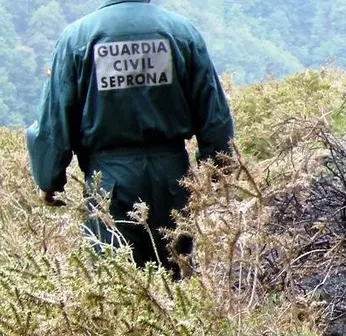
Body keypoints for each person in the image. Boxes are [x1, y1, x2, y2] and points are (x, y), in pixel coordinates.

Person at [26, 0, 234, 279]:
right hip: (173, 178)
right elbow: (214, 115)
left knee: (116, 282)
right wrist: (218, 171)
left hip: (109, 181)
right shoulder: (182, 33)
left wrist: (49, 181)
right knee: (177, 280)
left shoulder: (76, 38)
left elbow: (54, 121)